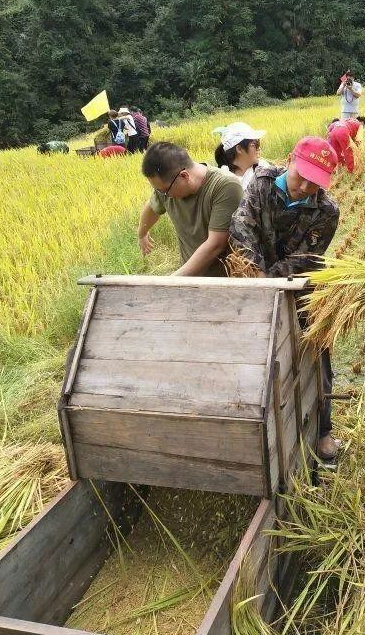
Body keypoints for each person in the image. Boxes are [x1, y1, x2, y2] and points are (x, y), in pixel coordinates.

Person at [229, 136, 341, 462]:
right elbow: (241, 229)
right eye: (301, 175)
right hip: (253, 283)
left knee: (316, 355)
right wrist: (256, 279)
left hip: (301, 288)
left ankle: (323, 429)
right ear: (291, 159)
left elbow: (305, 256)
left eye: (315, 182)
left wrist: (269, 279)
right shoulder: (261, 185)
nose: (305, 185)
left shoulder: (326, 211)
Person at [138, 141, 242, 277]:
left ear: (184, 176)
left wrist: (172, 281)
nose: (164, 195)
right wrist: (142, 233)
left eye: (165, 191)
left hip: (226, 281)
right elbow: (152, 206)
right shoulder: (166, 188)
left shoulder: (225, 186)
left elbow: (216, 244)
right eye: (158, 190)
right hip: (189, 279)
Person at [213, 121, 268, 190]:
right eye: (254, 145)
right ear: (239, 149)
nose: (258, 148)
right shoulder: (224, 179)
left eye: (258, 144)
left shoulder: (263, 168)